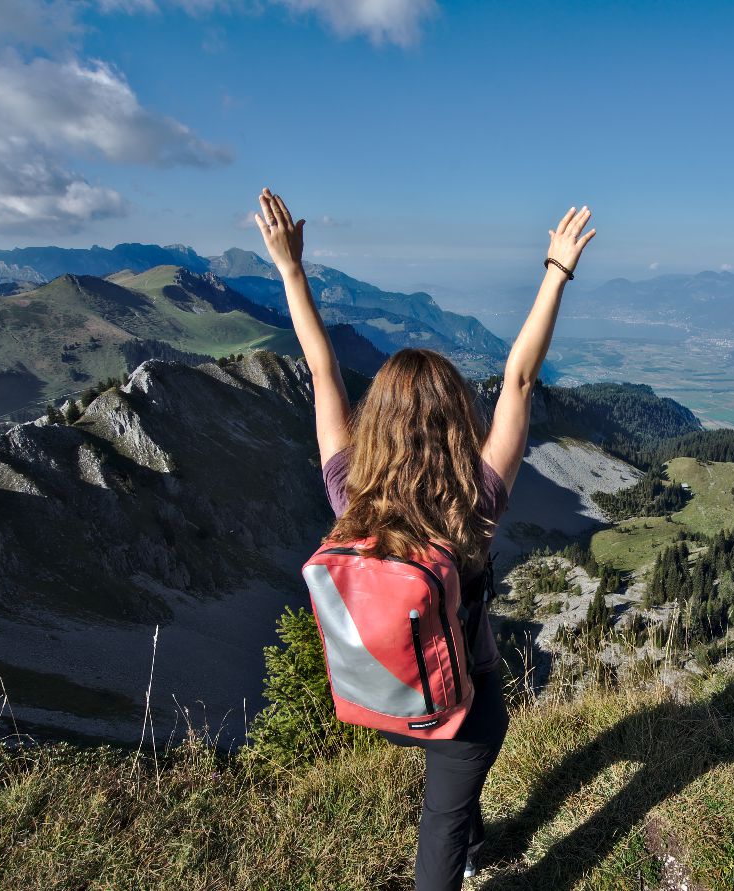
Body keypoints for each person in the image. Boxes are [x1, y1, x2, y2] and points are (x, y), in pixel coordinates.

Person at [253, 186, 595, 890]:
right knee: (442, 816)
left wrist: (290, 268)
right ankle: (463, 853)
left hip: (377, 690)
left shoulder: (349, 492)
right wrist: (557, 270)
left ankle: (471, 835)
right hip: (461, 700)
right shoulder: (473, 505)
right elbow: (520, 378)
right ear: (454, 421)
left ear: (377, 418)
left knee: (453, 796)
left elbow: (320, 369)